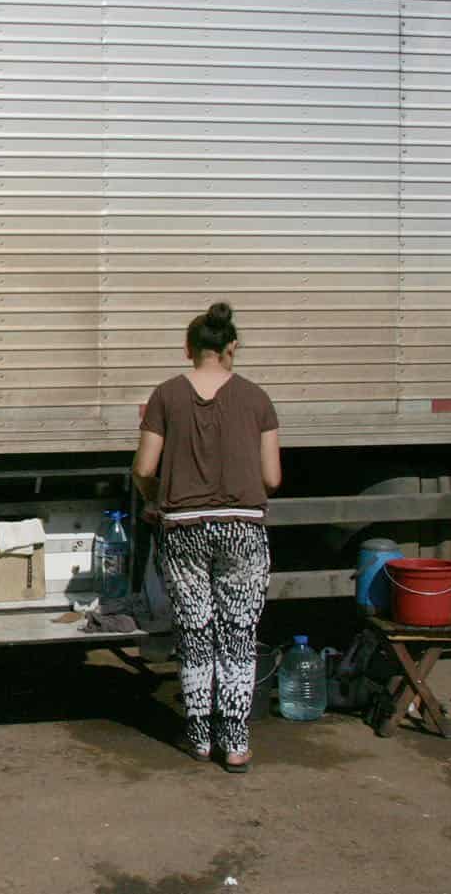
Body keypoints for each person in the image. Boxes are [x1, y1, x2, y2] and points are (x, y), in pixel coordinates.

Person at [131, 302, 282, 773]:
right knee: (238, 635)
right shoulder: (257, 398)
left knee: (195, 634)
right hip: (242, 527)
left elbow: (143, 469)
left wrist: (157, 498)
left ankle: (198, 739)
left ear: (188, 349)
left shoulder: (165, 396)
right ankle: (234, 744)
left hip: (183, 530)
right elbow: (272, 478)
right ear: (231, 346)